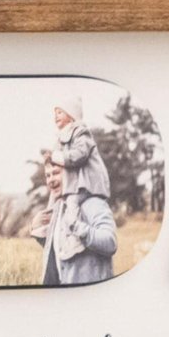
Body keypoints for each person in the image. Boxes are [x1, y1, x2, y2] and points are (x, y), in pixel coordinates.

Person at [30, 152, 118, 286]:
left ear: (71, 174)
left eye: (56, 173)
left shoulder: (93, 203)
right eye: (48, 175)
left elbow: (110, 243)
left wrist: (76, 226)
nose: (51, 180)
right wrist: (36, 228)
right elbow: (62, 249)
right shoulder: (60, 209)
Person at [45, 94, 111, 260]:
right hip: (74, 184)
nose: (55, 116)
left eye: (60, 112)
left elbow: (79, 155)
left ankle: (75, 237)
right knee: (57, 206)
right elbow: (55, 158)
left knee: (72, 207)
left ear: (71, 114)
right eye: (55, 113)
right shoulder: (63, 136)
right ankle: (54, 229)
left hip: (86, 183)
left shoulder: (81, 132)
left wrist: (58, 157)